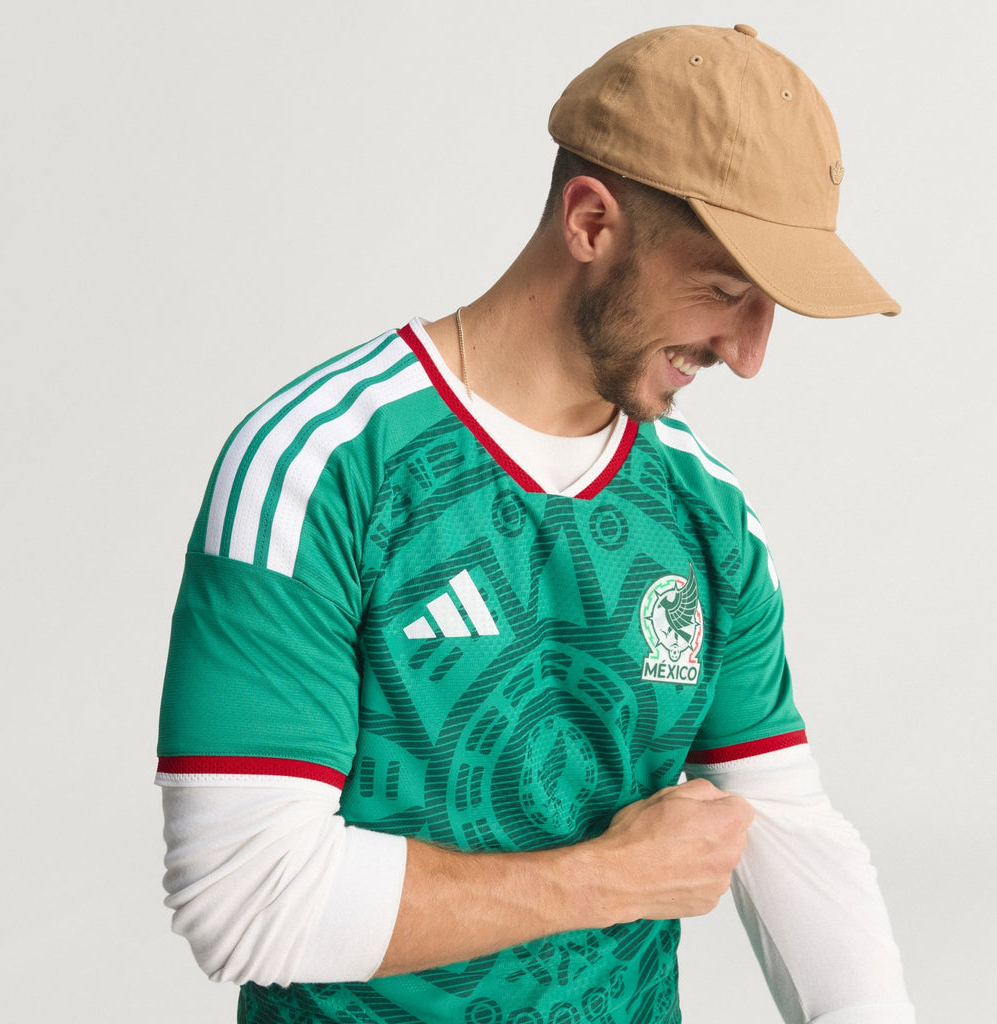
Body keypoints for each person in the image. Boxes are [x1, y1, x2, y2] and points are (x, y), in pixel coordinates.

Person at [157, 23, 914, 1024]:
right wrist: (613, 877)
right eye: (726, 292)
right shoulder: (321, 466)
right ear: (591, 222)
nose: (747, 354)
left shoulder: (706, 509)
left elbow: (784, 831)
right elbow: (245, 897)